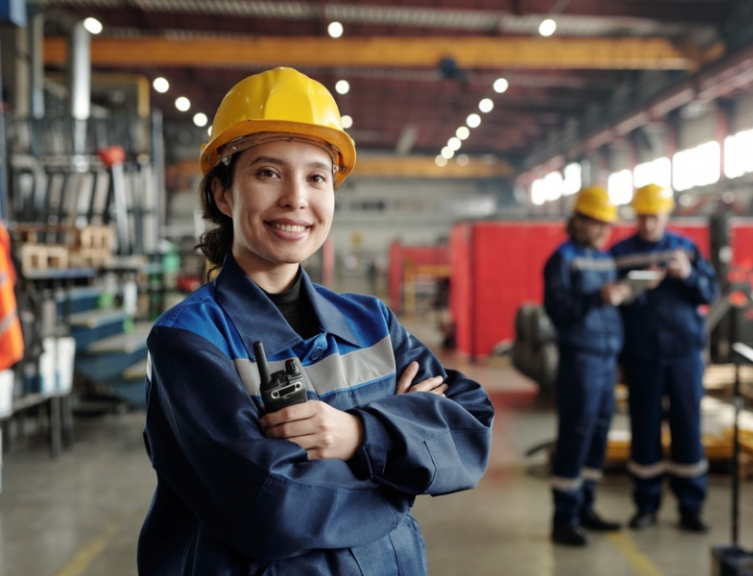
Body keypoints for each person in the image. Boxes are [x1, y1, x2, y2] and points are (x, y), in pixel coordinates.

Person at [137, 67, 494, 575]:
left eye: (316, 177)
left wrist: (360, 435)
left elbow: (470, 430)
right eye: (268, 173)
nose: (296, 198)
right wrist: (404, 470)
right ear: (223, 194)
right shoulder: (189, 341)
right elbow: (272, 507)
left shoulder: (371, 322)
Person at [610, 183, 718, 532]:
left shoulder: (685, 249)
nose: (648, 224)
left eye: (654, 217)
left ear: (666, 215)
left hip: (684, 353)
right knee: (644, 428)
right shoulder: (620, 253)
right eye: (642, 217)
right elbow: (613, 308)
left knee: (688, 425)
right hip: (642, 355)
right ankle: (646, 505)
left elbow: (710, 292)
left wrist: (688, 274)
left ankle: (691, 506)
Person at [543, 185, 631, 546]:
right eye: (598, 223)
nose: (604, 230)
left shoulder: (606, 258)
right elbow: (558, 311)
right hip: (580, 359)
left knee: (598, 434)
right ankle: (563, 518)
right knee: (576, 434)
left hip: (606, 358)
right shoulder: (562, 259)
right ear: (578, 221)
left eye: (607, 224)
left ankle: (585, 508)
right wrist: (599, 297)